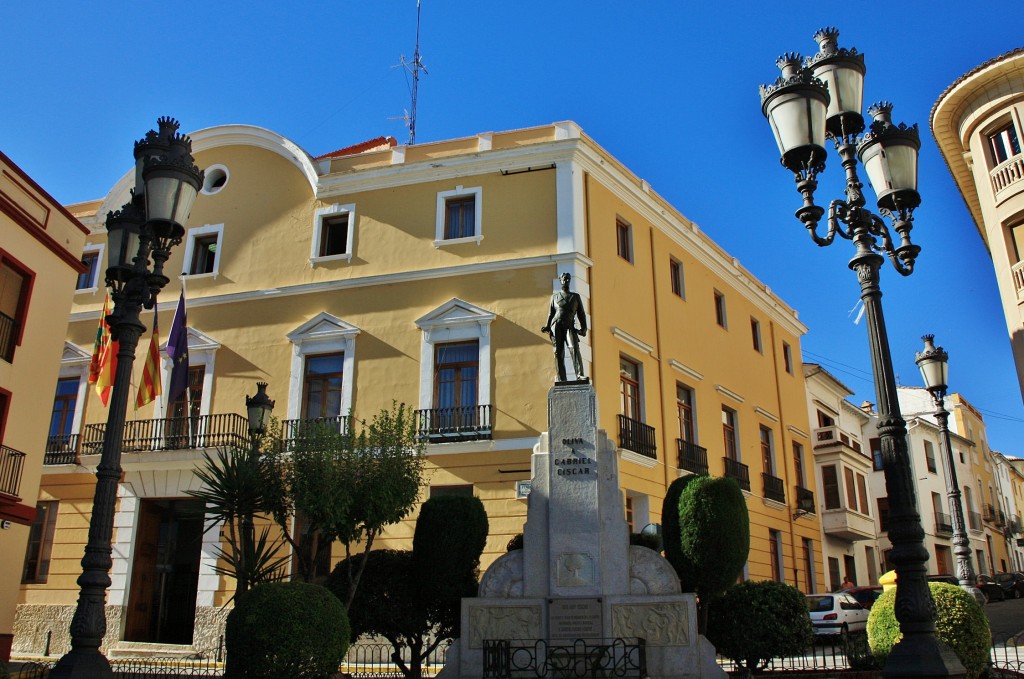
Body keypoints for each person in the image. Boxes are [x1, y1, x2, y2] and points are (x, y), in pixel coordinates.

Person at [542, 272, 588, 382]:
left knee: (574, 348)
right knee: (558, 352)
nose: (565, 280)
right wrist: (547, 326)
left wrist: (584, 329)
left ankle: (579, 375)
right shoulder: (555, 297)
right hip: (556, 325)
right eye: (563, 279)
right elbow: (551, 313)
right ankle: (561, 378)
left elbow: (581, 314)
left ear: (569, 280)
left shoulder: (575, 297)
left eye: (567, 279)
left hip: (569, 326)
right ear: (560, 280)